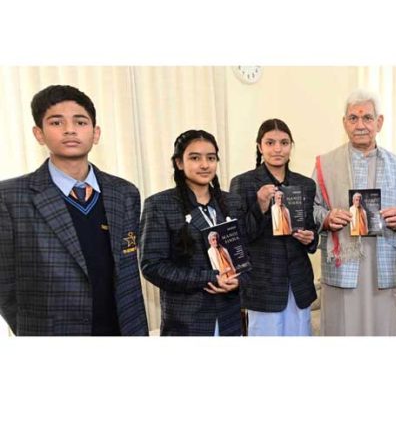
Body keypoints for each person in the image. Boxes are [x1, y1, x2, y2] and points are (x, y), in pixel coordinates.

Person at [0, 84, 148, 336]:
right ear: (39, 134)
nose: (70, 130)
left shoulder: (125, 192)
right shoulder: (9, 197)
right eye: (56, 123)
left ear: (95, 133)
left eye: (80, 122)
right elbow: (4, 283)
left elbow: (128, 270)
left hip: (123, 329)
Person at [313, 89, 396, 336]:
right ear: (344, 123)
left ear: (379, 122)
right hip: (343, 264)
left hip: (384, 266)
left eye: (367, 118)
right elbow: (312, 209)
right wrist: (326, 218)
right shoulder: (325, 164)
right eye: (353, 118)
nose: (360, 125)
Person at [139, 130, 242, 336]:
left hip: (229, 318)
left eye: (211, 158)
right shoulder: (159, 205)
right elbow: (152, 266)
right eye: (195, 158)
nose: (205, 165)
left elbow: (246, 255)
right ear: (179, 163)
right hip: (187, 321)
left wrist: (240, 280)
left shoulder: (232, 202)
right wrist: (208, 278)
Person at [229, 119, 317, 336]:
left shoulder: (305, 184)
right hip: (263, 283)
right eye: (270, 143)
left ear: (291, 146)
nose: (278, 149)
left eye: (284, 143)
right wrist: (260, 205)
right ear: (260, 147)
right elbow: (239, 237)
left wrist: (311, 238)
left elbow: (312, 230)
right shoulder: (244, 183)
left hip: (298, 282)